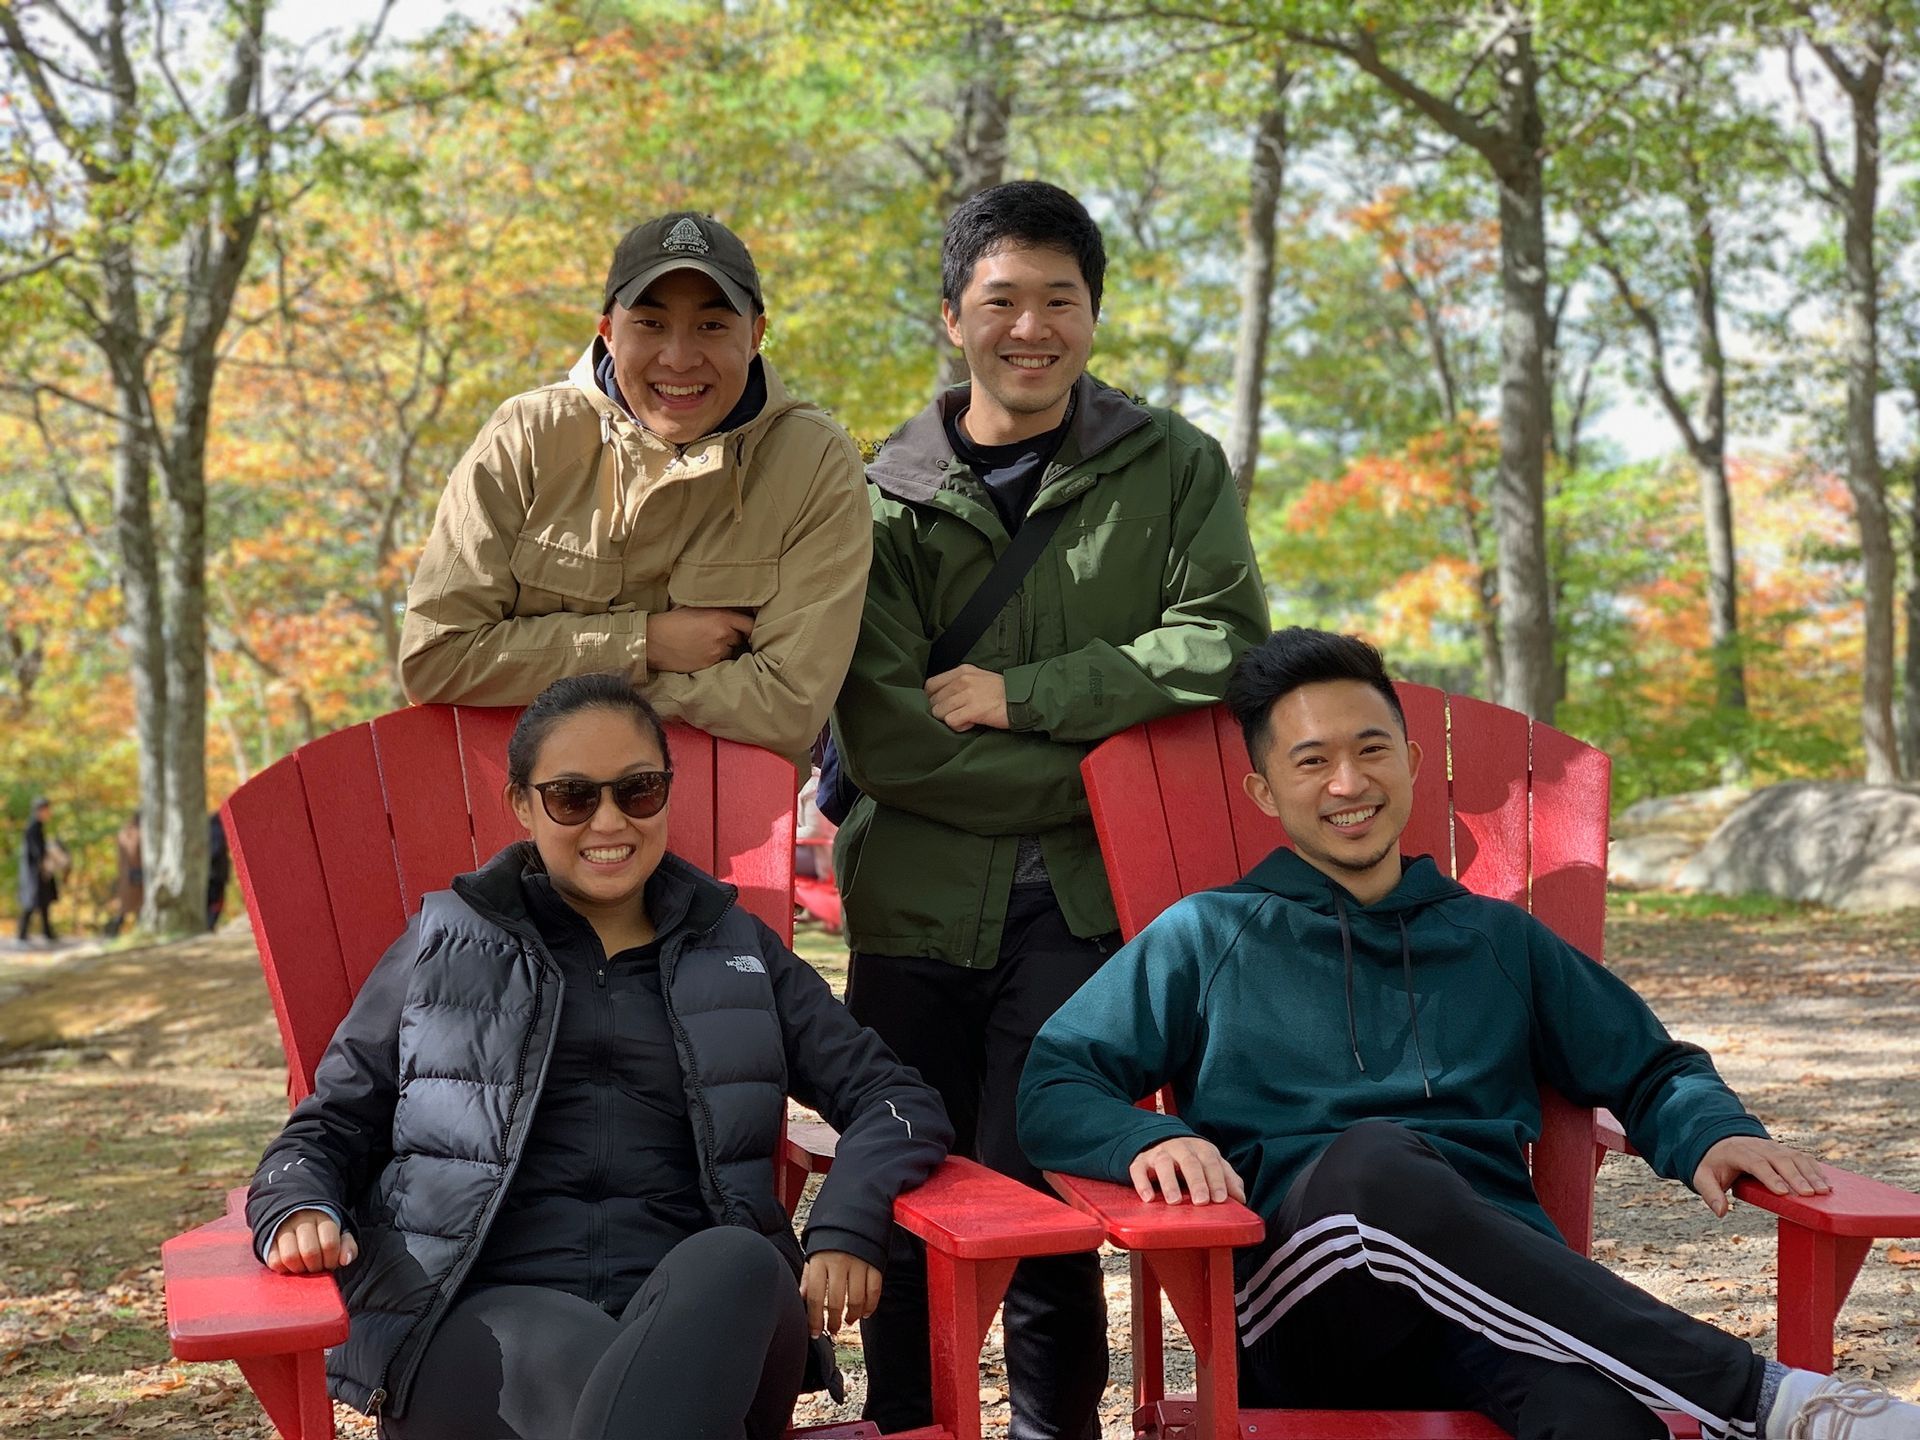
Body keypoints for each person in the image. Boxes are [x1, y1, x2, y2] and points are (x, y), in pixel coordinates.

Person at [1018, 628, 1920, 1440]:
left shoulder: (1498, 941)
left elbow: (1650, 1068)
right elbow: (1055, 1080)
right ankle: (1760, 1398)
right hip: (1313, 1303)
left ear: (1410, 762)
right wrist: (1151, 1134)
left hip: (1498, 1302)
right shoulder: (1208, 936)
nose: (1348, 783)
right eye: (1312, 762)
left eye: (1370, 751)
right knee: (1375, 1164)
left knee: (1597, 1418)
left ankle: (1752, 1405)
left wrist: (1713, 1130)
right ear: (1264, 790)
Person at [830, 180, 1269, 1439]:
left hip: (1087, 900)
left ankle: (1053, 1432)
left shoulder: (1170, 465)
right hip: (913, 902)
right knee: (908, 1171)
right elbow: (894, 741)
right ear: (953, 316)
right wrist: (1106, 762)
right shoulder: (884, 494)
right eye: (1001, 301)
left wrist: (1030, 696)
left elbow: (1222, 643)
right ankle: (915, 1421)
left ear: (1094, 313)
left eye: (1059, 301)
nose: (1031, 328)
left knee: (1053, 1186)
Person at [246, 674, 950, 1439]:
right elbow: (327, 1129)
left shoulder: (737, 947)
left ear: (667, 793)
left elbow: (894, 1099)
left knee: (740, 1263)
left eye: (638, 790)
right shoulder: (444, 945)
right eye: (573, 797)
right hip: (487, 1325)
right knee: (602, 1369)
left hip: (711, 1323)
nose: (609, 821)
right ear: (523, 805)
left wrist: (848, 1221)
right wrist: (297, 1205)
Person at [397, 211, 870, 776]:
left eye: (712, 326)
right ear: (606, 331)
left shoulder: (814, 461)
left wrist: (550, 687)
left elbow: (789, 704)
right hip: (530, 808)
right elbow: (436, 658)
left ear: (756, 336)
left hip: (732, 814)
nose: (679, 357)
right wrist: (644, 643)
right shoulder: (526, 436)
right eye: (650, 324)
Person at [16, 797, 59, 943]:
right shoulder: (33, 828)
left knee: (43, 902)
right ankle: (22, 934)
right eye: (47, 810)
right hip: (34, 873)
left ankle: (47, 933)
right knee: (31, 903)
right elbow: (37, 852)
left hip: (38, 871)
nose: (49, 813)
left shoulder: (38, 827)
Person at [106, 812, 142, 938]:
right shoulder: (139, 833)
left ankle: (116, 932)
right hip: (136, 874)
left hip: (126, 874)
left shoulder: (124, 832)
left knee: (126, 908)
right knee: (137, 906)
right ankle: (114, 931)